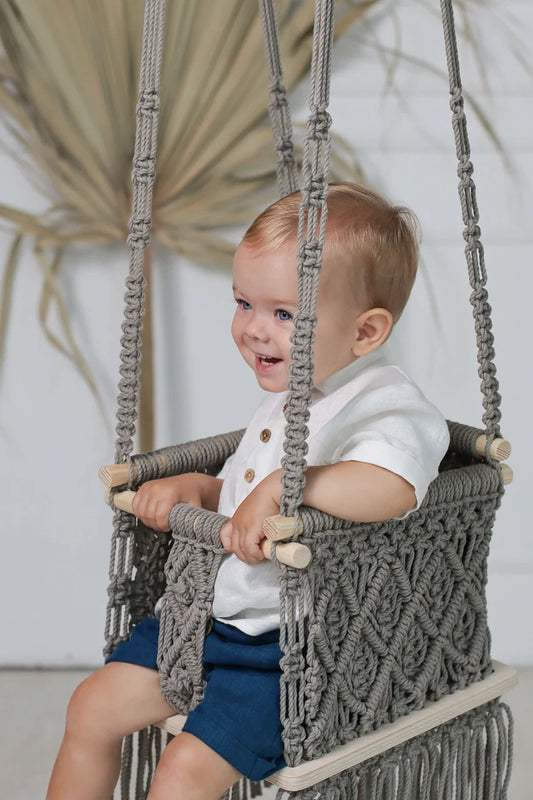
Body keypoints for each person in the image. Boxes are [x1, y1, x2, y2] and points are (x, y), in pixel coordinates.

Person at [46, 183, 449, 800]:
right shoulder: (289, 393)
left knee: (184, 771)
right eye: (243, 303)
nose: (255, 330)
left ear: (366, 332)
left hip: (287, 651)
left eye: (285, 314)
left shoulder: (386, 406)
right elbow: (241, 498)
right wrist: (198, 488)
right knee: (90, 708)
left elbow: (391, 488)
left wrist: (295, 486)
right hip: (204, 619)